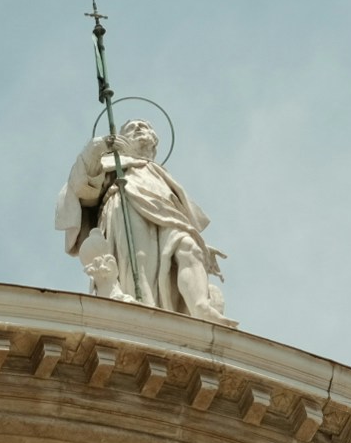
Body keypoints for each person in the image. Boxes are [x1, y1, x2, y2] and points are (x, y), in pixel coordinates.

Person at [56, 117, 228, 319]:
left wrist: (203, 247)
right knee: (140, 262)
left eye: (144, 126)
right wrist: (96, 148)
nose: (139, 128)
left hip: (169, 215)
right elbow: (83, 189)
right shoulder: (113, 164)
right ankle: (145, 311)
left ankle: (200, 307)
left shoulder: (161, 174)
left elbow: (178, 207)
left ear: (154, 140)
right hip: (128, 206)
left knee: (191, 248)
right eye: (131, 127)